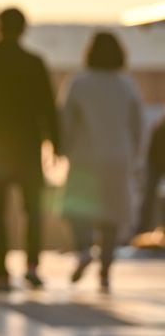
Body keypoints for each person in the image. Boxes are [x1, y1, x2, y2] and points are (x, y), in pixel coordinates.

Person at [0, 7, 60, 290]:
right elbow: (48, 108)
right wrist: (55, 144)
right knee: (33, 210)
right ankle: (31, 266)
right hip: (28, 144)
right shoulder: (34, 62)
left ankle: (1, 268)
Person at [60, 31, 144, 292]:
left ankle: (83, 249)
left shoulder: (79, 82)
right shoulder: (126, 84)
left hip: (85, 155)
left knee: (78, 208)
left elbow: (66, 120)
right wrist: (134, 153)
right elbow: (137, 123)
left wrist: (63, 149)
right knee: (111, 216)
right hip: (118, 156)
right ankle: (105, 270)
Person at [137, 115, 165, 234]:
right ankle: (143, 229)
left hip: (156, 158)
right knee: (149, 196)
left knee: (151, 195)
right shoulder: (160, 130)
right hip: (155, 160)